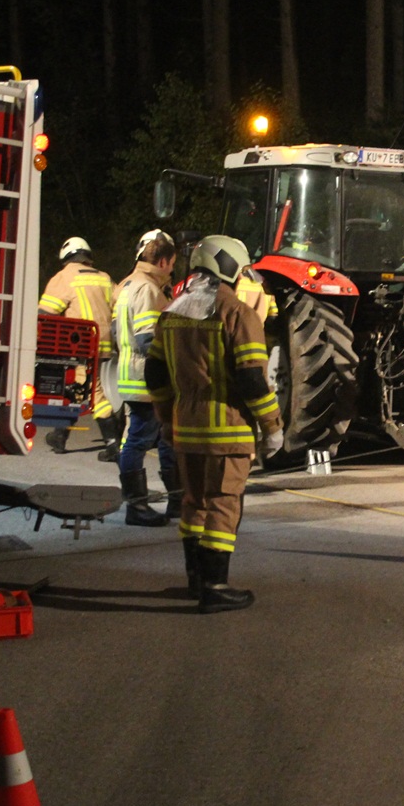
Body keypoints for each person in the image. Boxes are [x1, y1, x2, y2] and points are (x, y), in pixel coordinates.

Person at [145, 235, 284, 613]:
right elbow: (252, 379)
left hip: (185, 430)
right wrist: (272, 426)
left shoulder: (172, 313)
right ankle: (215, 587)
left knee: (194, 503)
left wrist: (166, 417)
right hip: (228, 433)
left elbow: (154, 372)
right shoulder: (237, 313)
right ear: (230, 267)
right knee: (223, 506)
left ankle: (195, 580)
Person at [111, 228, 179, 526]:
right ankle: (136, 507)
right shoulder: (148, 290)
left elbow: (116, 333)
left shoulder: (127, 285)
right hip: (146, 382)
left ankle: (175, 501)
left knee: (164, 439)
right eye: (172, 263)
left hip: (133, 377)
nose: (173, 269)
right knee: (138, 442)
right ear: (163, 261)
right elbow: (149, 340)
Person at [39, 236, 118, 458]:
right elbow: (119, 305)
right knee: (79, 389)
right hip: (104, 347)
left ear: (66, 257)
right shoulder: (105, 278)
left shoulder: (64, 277)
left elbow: (45, 314)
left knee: (92, 393)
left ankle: (113, 444)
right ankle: (60, 436)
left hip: (79, 347)